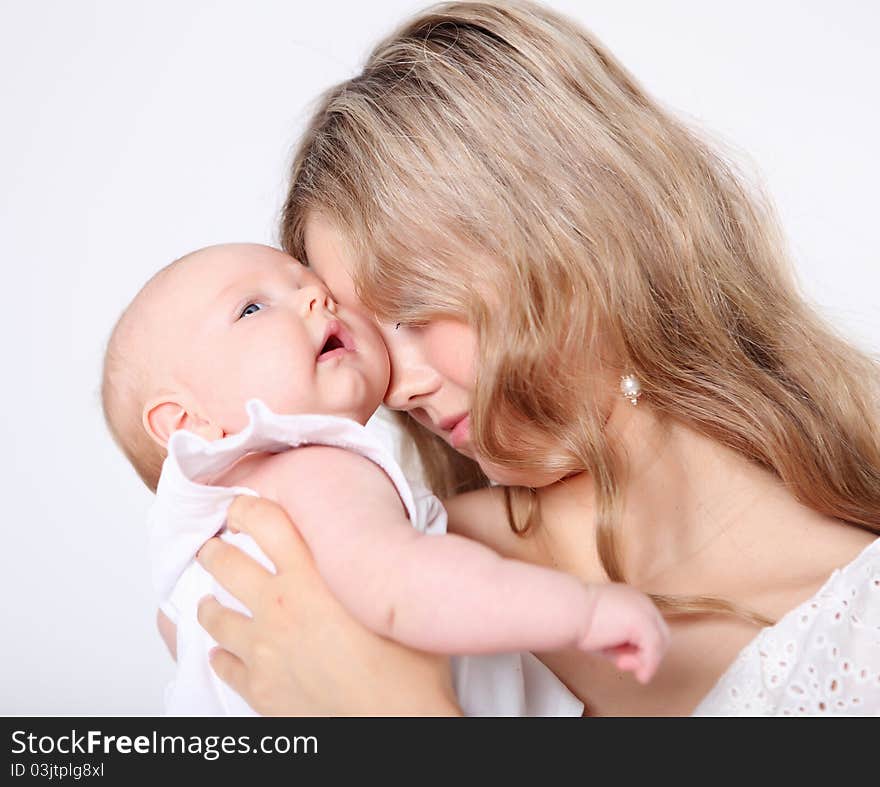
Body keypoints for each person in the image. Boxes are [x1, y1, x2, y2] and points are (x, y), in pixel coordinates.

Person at [194, 1, 880, 716]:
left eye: (415, 310)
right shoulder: (363, 559)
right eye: (356, 336)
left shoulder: (860, 626)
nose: (399, 387)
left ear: (578, 232)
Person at [101, 242, 669, 715]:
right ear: (186, 423)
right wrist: (580, 611)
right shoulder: (318, 468)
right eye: (252, 308)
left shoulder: (193, 562)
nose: (314, 296)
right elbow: (403, 587)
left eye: (307, 282)